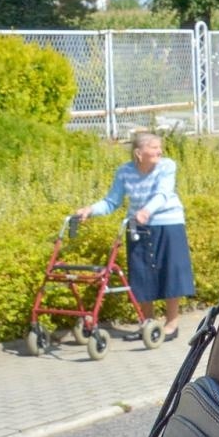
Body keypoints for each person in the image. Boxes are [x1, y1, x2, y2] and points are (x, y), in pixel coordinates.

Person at [75, 130, 195, 340]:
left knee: (170, 272)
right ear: (139, 153)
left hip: (168, 222)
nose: (159, 151)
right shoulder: (124, 171)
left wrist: (146, 211)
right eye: (154, 147)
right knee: (141, 275)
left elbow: (163, 193)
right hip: (137, 226)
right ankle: (147, 324)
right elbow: (112, 201)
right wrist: (90, 210)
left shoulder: (167, 166)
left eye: (159, 147)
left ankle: (171, 324)